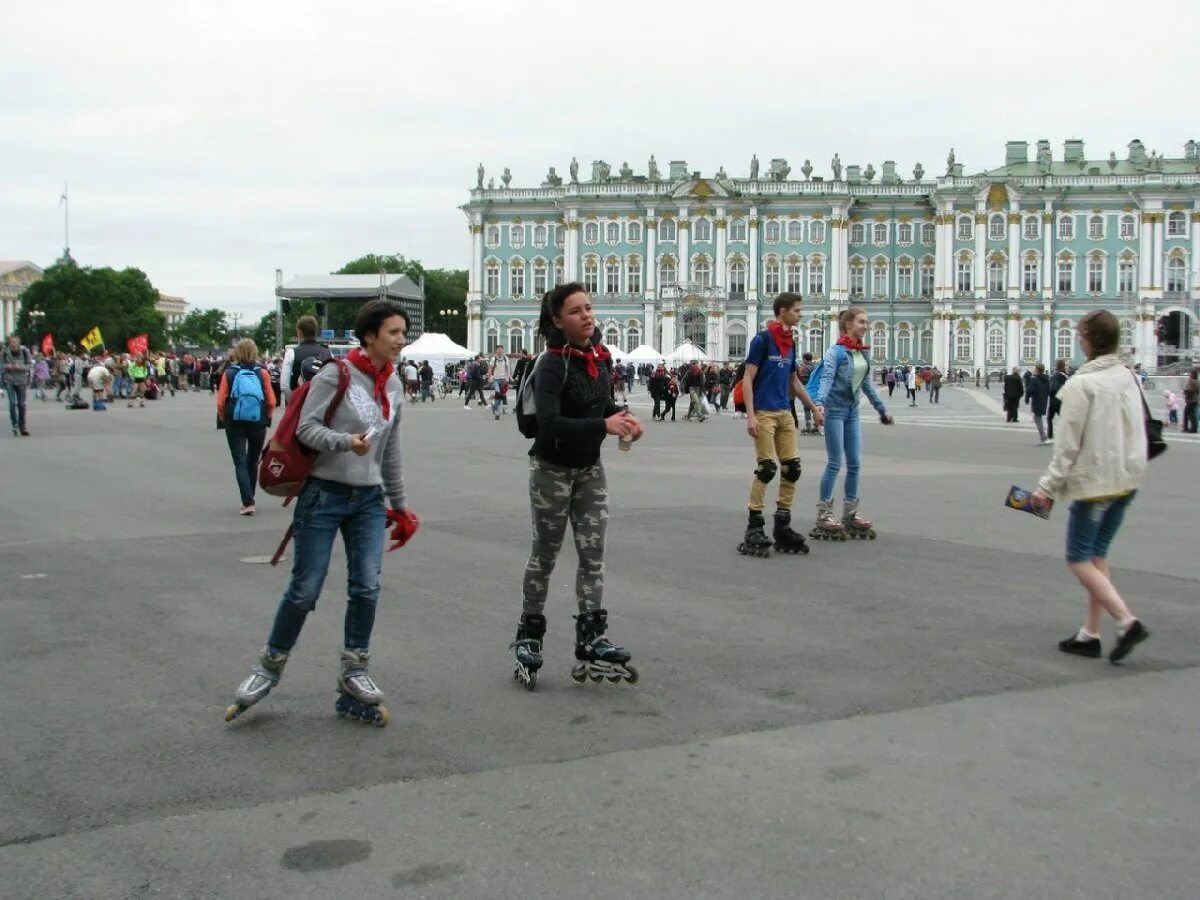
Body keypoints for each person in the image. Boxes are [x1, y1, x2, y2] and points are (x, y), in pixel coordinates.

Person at [226, 300, 415, 726]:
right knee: (305, 588)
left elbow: (391, 451)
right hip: (324, 494)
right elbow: (306, 428)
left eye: (403, 332)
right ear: (370, 336)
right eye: (394, 332)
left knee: (366, 587)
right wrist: (346, 442)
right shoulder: (337, 374)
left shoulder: (395, 385)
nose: (401, 340)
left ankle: (354, 674)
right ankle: (267, 668)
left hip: (368, 499)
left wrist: (400, 506)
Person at [510, 282, 641, 691]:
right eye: (575, 311)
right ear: (557, 321)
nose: (587, 315)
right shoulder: (550, 363)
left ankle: (592, 636)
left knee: (593, 555)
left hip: (589, 471)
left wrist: (623, 417)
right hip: (551, 470)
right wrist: (604, 424)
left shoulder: (598, 358)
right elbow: (548, 423)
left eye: (589, 307)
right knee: (544, 556)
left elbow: (599, 406)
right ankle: (529, 635)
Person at [1031, 311, 1149, 664]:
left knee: (1078, 557)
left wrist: (1046, 488)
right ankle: (1090, 634)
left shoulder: (1082, 385)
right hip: (1129, 479)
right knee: (1098, 555)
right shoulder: (1128, 375)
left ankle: (1126, 621)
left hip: (1097, 482)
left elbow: (1067, 446)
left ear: (1087, 341)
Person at [739, 292, 823, 557]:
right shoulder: (763, 340)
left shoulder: (791, 343)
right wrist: (751, 414)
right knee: (766, 468)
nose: (801, 314)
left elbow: (793, 381)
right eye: (797, 310)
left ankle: (782, 524)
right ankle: (754, 525)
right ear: (783, 311)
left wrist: (812, 408)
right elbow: (747, 379)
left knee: (792, 468)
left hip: (785, 413)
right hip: (764, 412)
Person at [810, 306, 894, 539]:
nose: (866, 326)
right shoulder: (835, 352)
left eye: (866, 322)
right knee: (835, 462)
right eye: (862, 322)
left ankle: (850, 512)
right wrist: (819, 404)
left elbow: (866, 384)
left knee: (855, 463)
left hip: (852, 411)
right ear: (848, 325)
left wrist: (881, 410)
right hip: (834, 411)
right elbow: (827, 378)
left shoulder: (863, 353)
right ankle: (824, 512)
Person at [216, 339, 277, 515]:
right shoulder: (262, 373)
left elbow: (221, 402)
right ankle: (251, 496)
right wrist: (267, 416)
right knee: (253, 460)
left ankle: (247, 501)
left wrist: (223, 417)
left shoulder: (229, 373)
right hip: (258, 420)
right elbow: (272, 400)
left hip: (234, 420)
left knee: (240, 461)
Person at [280, 316, 331, 406]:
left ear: (299, 333)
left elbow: (284, 386)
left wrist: (293, 403)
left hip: (300, 406)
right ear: (316, 332)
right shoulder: (327, 352)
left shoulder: (291, 353)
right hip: (322, 407)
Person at [3, 334, 32, 436]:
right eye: (11, 342)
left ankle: (22, 426)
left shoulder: (25, 351)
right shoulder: (5, 352)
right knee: (12, 403)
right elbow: (1, 365)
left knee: (21, 404)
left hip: (21, 381)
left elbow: (29, 365)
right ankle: (14, 424)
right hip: (9, 380)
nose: (13, 344)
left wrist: (18, 367)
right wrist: (7, 366)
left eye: (15, 342)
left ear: (18, 342)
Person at [1026, 363, 1051, 444]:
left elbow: (1030, 390)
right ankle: (1044, 436)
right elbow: (1049, 390)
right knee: (1038, 417)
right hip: (1044, 400)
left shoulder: (1034, 379)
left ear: (1037, 369)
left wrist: (1027, 398)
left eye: (1034, 368)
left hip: (1036, 400)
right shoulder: (1047, 379)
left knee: (1037, 419)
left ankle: (1043, 437)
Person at [486, 347, 512, 418]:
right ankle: (496, 411)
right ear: (496, 351)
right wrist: (489, 378)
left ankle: (494, 406)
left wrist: (508, 378)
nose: (500, 351)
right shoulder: (493, 359)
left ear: (503, 351)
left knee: (501, 396)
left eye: (501, 350)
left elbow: (508, 369)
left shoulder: (505, 359)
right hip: (496, 379)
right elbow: (490, 369)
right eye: (498, 350)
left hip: (503, 380)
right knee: (497, 393)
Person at [1047, 359, 1068, 440]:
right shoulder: (1065, 375)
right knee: (1063, 418)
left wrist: (1049, 393)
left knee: (1050, 418)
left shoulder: (1055, 376)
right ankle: (1065, 435)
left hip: (1055, 399)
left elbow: (1053, 388)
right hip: (1063, 399)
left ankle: (1050, 435)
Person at [1183, 369, 1199, 433]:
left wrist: (1185, 393)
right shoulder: (1197, 381)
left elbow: (1190, 390)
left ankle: (1186, 428)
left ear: (1193, 375)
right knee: (1192, 415)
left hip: (1190, 400)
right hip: (1195, 400)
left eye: (1190, 374)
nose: (1189, 375)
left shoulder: (1191, 381)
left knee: (1186, 414)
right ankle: (1193, 429)